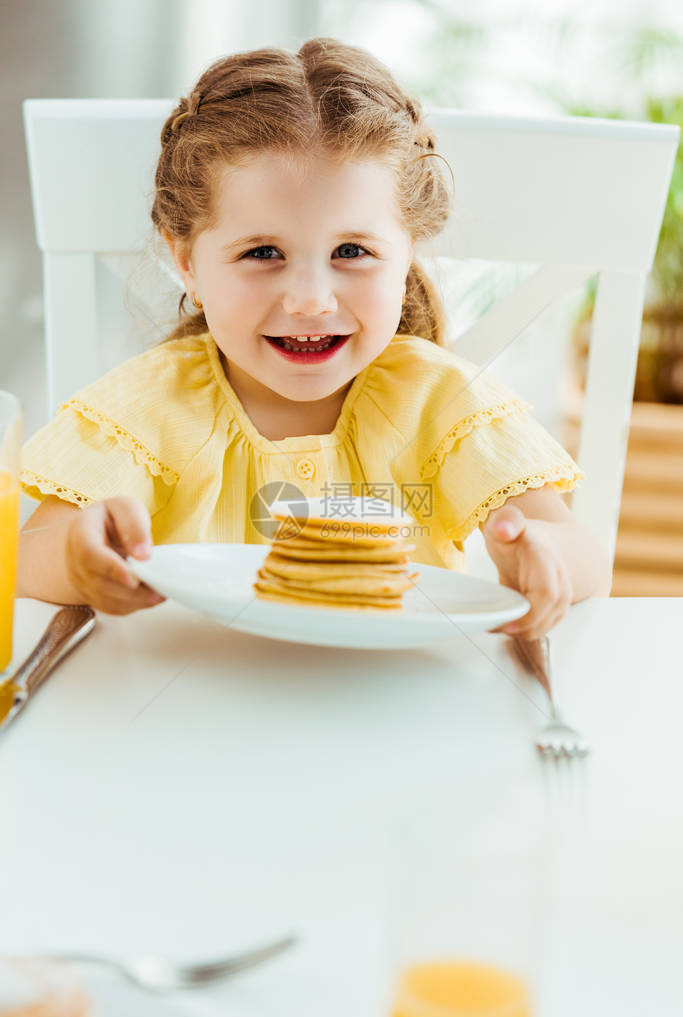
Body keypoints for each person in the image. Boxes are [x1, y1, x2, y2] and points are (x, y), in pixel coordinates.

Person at [17, 38, 611, 639]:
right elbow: (28, 556)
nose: (309, 299)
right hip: (198, 707)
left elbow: (579, 552)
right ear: (188, 264)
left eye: (351, 251)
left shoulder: (440, 400)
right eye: (262, 252)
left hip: (397, 708)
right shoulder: (150, 408)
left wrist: (542, 553)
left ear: (407, 256)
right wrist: (77, 552)